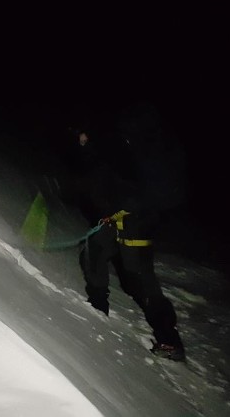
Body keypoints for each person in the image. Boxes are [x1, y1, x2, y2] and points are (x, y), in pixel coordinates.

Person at [64, 100, 188, 362]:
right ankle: (98, 308)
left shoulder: (141, 148)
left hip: (137, 221)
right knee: (94, 253)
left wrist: (129, 205)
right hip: (114, 217)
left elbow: (149, 189)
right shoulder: (113, 144)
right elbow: (100, 178)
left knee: (139, 280)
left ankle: (169, 340)